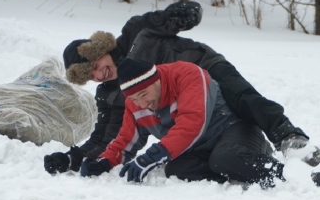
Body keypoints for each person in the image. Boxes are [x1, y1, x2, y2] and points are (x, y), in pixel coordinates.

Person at [44, 1, 319, 177]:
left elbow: (174, 17)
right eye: (90, 75)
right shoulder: (112, 94)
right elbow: (106, 138)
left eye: (95, 63)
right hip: (191, 111)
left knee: (243, 99)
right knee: (194, 150)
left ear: (101, 49)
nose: (98, 73)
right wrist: (74, 158)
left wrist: (181, 14)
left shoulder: (137, 32)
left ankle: (290, 139)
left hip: (204, 67)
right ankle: (233, 157)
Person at [80, 58, 286, 189]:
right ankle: (231, 176)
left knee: (225, 157)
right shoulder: (135, 103)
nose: (142, 104)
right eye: (134, 99)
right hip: (198, 147)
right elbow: (125, 141)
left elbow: (191, 123)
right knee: (177, 169)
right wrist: (104, 163)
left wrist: (154, 155)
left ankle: (285, 175)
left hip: (232, 130)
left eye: (144, 94)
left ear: (157, 80)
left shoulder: (187, 75)